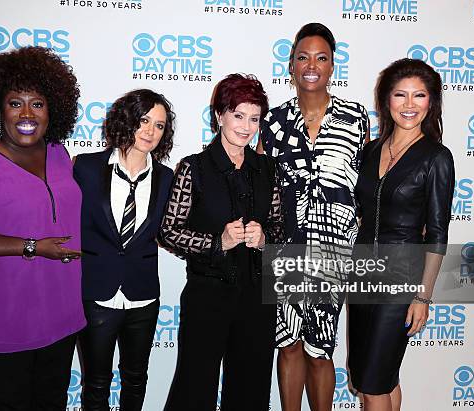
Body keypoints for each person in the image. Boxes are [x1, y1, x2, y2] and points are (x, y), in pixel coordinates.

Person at [0, 46, 85, 410]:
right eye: (15, 103)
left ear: (53, 108)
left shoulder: (58, 153)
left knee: (51, 402)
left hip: (60, 304)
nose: (26, 113)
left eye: (37, 104)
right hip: (4, 308)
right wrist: (34, 247)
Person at [258, 23, 369, 411]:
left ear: (332, 65)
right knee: (288, 345)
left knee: (320, 350)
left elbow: (365, 187)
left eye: (321, 58)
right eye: (303, 57)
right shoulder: (272, 123)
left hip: (334, 251)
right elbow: (259, 185)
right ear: (291, 65)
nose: (311, 65)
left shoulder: (356, 119)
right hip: (284, 248)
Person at [160, 73, 284, 411]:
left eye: (254, 118)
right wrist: (219, 242)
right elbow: (170, 231)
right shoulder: (193, 168)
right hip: (207, 295)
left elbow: (279, 226)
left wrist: (264, 240)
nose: (246, 126)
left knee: (251, 387)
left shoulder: (268, 168)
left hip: (258, 297)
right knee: (194, 386)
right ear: (220, 115)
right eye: (238, 115)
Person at [347, 58, 455, 411]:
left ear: (431, 102)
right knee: (373, 377)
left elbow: (437, 232)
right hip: (362, 275)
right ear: (386, 100)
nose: (409, 105)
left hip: (401, 279)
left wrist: (422, 297)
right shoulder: (371, 150)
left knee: (374, 383)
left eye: (419, 96)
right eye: (400, 95)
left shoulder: (437, 157)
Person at [74, 89, 175, 411]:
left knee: (136, 378)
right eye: (144, 121)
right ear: (126, 120)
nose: (149, 132)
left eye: (159, 126)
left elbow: (170, 230)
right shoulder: (86, 168)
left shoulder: (167, 178)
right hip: (96, 291)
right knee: (96, 382)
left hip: (143, 293)